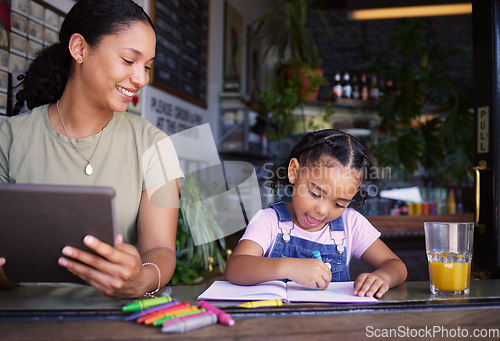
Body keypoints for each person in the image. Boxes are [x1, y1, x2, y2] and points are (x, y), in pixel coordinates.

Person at [0, 0, 184, 298]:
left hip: (112, 318)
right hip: (19, 319)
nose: (141, 78)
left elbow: (161, 249)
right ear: (79, 49)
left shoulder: (155, 146)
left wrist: (144, 278)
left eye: (147, 66)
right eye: (129, 60)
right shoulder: (8, 139)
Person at [225, 129, 407, 298]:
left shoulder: (351, 223)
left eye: (338, 204)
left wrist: (384, 277)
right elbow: (236, 268)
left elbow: (395, 264)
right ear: (294, 172)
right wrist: (288, 267)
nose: (322, 210)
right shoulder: (269, 221)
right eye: (315, 194)